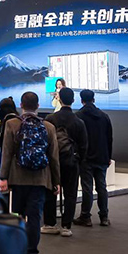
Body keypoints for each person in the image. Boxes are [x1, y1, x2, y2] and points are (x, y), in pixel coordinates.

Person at [0, 92, 60, 254]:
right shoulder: (48, 127)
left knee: (17, 214)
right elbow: (54, 157)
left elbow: (7, 153)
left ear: (21, 105)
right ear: (38, 106)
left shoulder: (12, 124)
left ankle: (17, 246)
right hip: (40, 179)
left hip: (17, 178)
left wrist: (3, 177)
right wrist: (56, 181)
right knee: (34, 217)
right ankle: (31, 249)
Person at [42, 87, 88, 237]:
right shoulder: (78, 122)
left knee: (50, 192)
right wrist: (78, 160)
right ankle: (66, 226)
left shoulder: (50, 119)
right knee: (70, 194)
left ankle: (50, 223)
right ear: (73, 100)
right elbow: (84, 146)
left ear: (59, 99)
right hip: (71, 161)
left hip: (52, 161)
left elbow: (44, 141)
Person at [74, 89, 114, 227]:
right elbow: (109, 138)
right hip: (102, 156)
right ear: (94, 99)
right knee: (102, 187)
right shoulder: (104, 116)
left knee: (87, 188)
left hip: (86, 158)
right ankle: (104, 216)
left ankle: (85, 216)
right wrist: (108, 156)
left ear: (81, 100)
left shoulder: (78, 116)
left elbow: (76, 139)